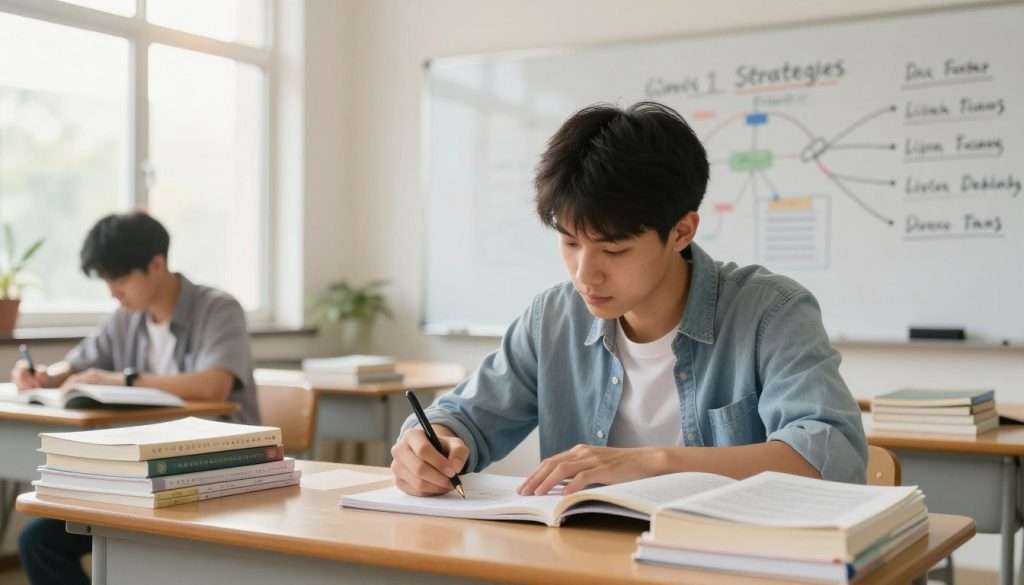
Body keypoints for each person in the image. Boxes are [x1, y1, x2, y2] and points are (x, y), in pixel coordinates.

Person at [390, 101, 866, 498]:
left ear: (681, 231)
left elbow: (831, 456)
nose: (584, 274)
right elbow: (463, 417)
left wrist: (655, 463)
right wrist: (429, 447)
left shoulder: (771, 313)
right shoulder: (553, 319)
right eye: (571, 243)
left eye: (614, 249)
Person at [11, 211, 259, 585]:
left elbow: (214, 386)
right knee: (37, 540)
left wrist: (124, 379)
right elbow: (79, 361)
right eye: (107, 280)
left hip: (214, 469)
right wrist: (46, 374)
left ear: (156, 265)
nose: (113, 291)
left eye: (121, 278)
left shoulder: (217, 309)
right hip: (145, 475)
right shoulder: (127, 317)